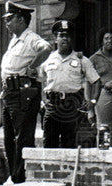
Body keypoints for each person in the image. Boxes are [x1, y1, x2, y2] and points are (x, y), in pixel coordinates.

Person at [0, 1, 52, 183]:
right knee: (9, 138)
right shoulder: (15, 40)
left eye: (9, 19)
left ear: (21, 19)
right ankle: (15, 176)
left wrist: (32, 66)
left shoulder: (31, 38)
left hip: (23, 91)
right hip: (10, 92)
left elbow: (46, 48)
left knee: (22, 136)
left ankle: (21, 178)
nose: (6, 23)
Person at [41, 20, 99, 148]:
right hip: (52, 105)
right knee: (49, 144)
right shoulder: (47, 59)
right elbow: (40, 79)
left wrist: (93, 101)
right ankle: (50, 169)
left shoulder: (82, 60)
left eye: (68, 36)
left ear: (72, 39)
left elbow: (96, 81)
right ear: (56, 39)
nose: (65, 39)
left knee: (71, 145)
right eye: (61, 35)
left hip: (73, 106)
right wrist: (43, 99)